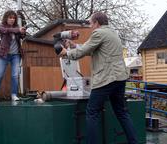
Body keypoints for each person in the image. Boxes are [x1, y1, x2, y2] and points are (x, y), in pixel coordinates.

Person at [59, 12, 138, 144]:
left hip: (106, 78)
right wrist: (74, 46)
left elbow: (83, 52)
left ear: (97, 22)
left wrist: (66, 53)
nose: (90, 26)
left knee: (92, 112)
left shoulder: (99, 33)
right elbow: (92, 49)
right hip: (120, 77)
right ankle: (134, 141)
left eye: (91, 23)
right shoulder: (113, 33)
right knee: (121, 112)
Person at [0, 10, 26, 102]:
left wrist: (22, 31)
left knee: (15, 75)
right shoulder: (2, 27)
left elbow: (22, 36)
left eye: (14, 18)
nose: (12, 19)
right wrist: (18, 30)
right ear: (6, 18)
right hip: (4, 55)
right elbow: (6, 31)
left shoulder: (17, 27)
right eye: (10, 18)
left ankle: (14, 95)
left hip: (15, 55)